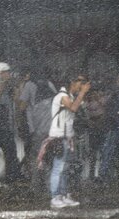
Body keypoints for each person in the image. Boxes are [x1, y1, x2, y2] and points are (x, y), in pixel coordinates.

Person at [40, 73, 90, 209]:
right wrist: (83, 93)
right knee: (58, 168)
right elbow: (73, 107)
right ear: (72, 82)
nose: (83, 85)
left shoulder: (71, 96)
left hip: (67, 137)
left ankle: (63, 195)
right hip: (58, 137)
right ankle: (55, 197)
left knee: (66, 168)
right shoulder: (62, 96)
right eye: (81, 82)